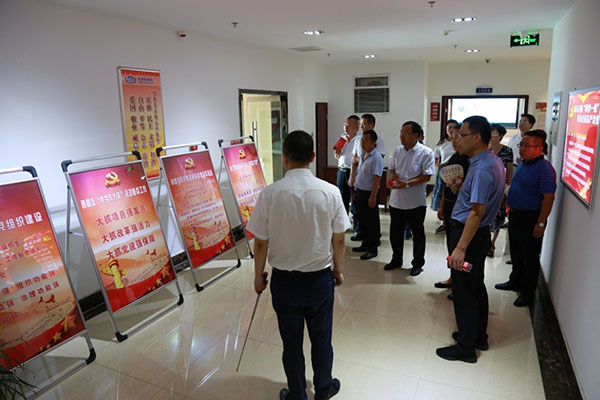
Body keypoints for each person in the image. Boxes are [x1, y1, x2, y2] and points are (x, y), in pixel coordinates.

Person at [248, 130, 349, 400]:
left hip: (285, 282)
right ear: (313, 157)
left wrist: (258, 277)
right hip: (319, 280)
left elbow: (261, 242)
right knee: (322, 339)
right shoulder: (330, 192)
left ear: (285, 158)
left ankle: (297, 394)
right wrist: (338, 270)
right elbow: (339, 239)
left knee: (291, 343)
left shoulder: (270, 194)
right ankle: (324, 388)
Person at [436, 116, 505, 363]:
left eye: (462, 135)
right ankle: (477, 335)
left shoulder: (482, 169)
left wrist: (460, 248)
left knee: (464, 290)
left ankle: (466, 348)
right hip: (477, 234)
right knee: (475, 285)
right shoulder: (491, 161)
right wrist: (463, 190)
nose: (457, 139)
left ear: (476, 138)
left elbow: (476, 213)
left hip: (469, 235)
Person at [495, 129, 556, 307]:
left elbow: (548, 198)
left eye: (527, 146)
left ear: (540, 148)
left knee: (529, 257)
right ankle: (515, 280)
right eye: (522, 145)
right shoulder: (523, 163)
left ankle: (527, 293)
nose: (522, 148)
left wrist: (541, 223)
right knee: (516, 252)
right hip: (516, 214)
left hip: (531, 218)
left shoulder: (545, 169)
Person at [384, 121, 434, 276]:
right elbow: (392, 169)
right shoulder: (398, 150)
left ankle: (417, 263)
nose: (402, 135)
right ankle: (396, 259)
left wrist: (406, 183)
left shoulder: (426, 152)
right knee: (395, 232)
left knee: (417, 233)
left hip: (415, 201)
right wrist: (395, 179)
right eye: (401, 132)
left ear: (416, 135)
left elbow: (426, 176)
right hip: (397, 200)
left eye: (406, 133)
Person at [434, 124, 469, 296]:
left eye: (459, 137)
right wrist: (441, 206)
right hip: (449, 206)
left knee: (461, 248)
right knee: (451, 244)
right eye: (453, 137)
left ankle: (461, 284)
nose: (454, 141)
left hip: (462, 210)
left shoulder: (470, 161)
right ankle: (453, 277)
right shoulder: (455, 157)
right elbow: (446, 186)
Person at [348, 113, 386, 242]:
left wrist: (373, 195)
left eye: (364, 124)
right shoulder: (359, 141)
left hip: (370, 186)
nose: (361, 127)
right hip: (360, 184)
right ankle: (362, 235)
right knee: (360, 213)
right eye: (361, 124)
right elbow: (354, 159)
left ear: (372, 125)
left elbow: (377, 171)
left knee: (371, 217)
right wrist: (352, 178)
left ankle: (373, 241)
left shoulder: (378, 144)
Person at [487, 124, 514, 257]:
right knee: (485, 214)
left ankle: (492, 243)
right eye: (490, 132)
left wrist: (508, 185)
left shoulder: (507, 151)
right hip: (485, 188)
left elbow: (509, 169)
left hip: (500, 188)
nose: (492, 135)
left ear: (501, 135)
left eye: (494, 133)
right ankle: (486, 242)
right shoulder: (484, 149)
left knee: (498, 215)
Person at [431, 119, 459, 234]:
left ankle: (451, 220)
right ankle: (443, 221)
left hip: (456, 172)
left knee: (453, 194)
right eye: (449, 127)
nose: (451, 130)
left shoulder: (459, 142)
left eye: (453, 127)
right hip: (444, 171)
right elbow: (436, 158)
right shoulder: (441, 143)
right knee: (442, 193)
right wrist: (438, 164)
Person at [334, 115, 360, 231]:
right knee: (341, 199)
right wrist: (337, 152)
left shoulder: (359, 140)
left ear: (356, 126)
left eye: (348, 125)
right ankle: (343, 224)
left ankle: (357, 226)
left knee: (354, 199)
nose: (345, 127)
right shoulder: (342, 138)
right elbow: (336, 156)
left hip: (353, 172)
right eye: (344, 125)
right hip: (341, 171)